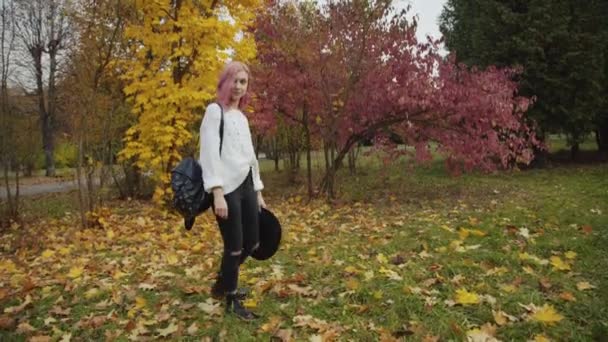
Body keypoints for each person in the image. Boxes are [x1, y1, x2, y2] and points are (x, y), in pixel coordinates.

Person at [199, 61, 266, 320]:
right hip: (226, 189)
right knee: (234, 245)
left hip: (247, 185)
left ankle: (224, 282)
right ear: (225, 82)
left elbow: (250, 157)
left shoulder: (241, 117)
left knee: (253, 241)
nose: (238, 86)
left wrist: (258, 190)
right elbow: (209, 155)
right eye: (234, 81)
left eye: (243, 82)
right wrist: (216, 191)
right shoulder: (215, 112)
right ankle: (231, 299)